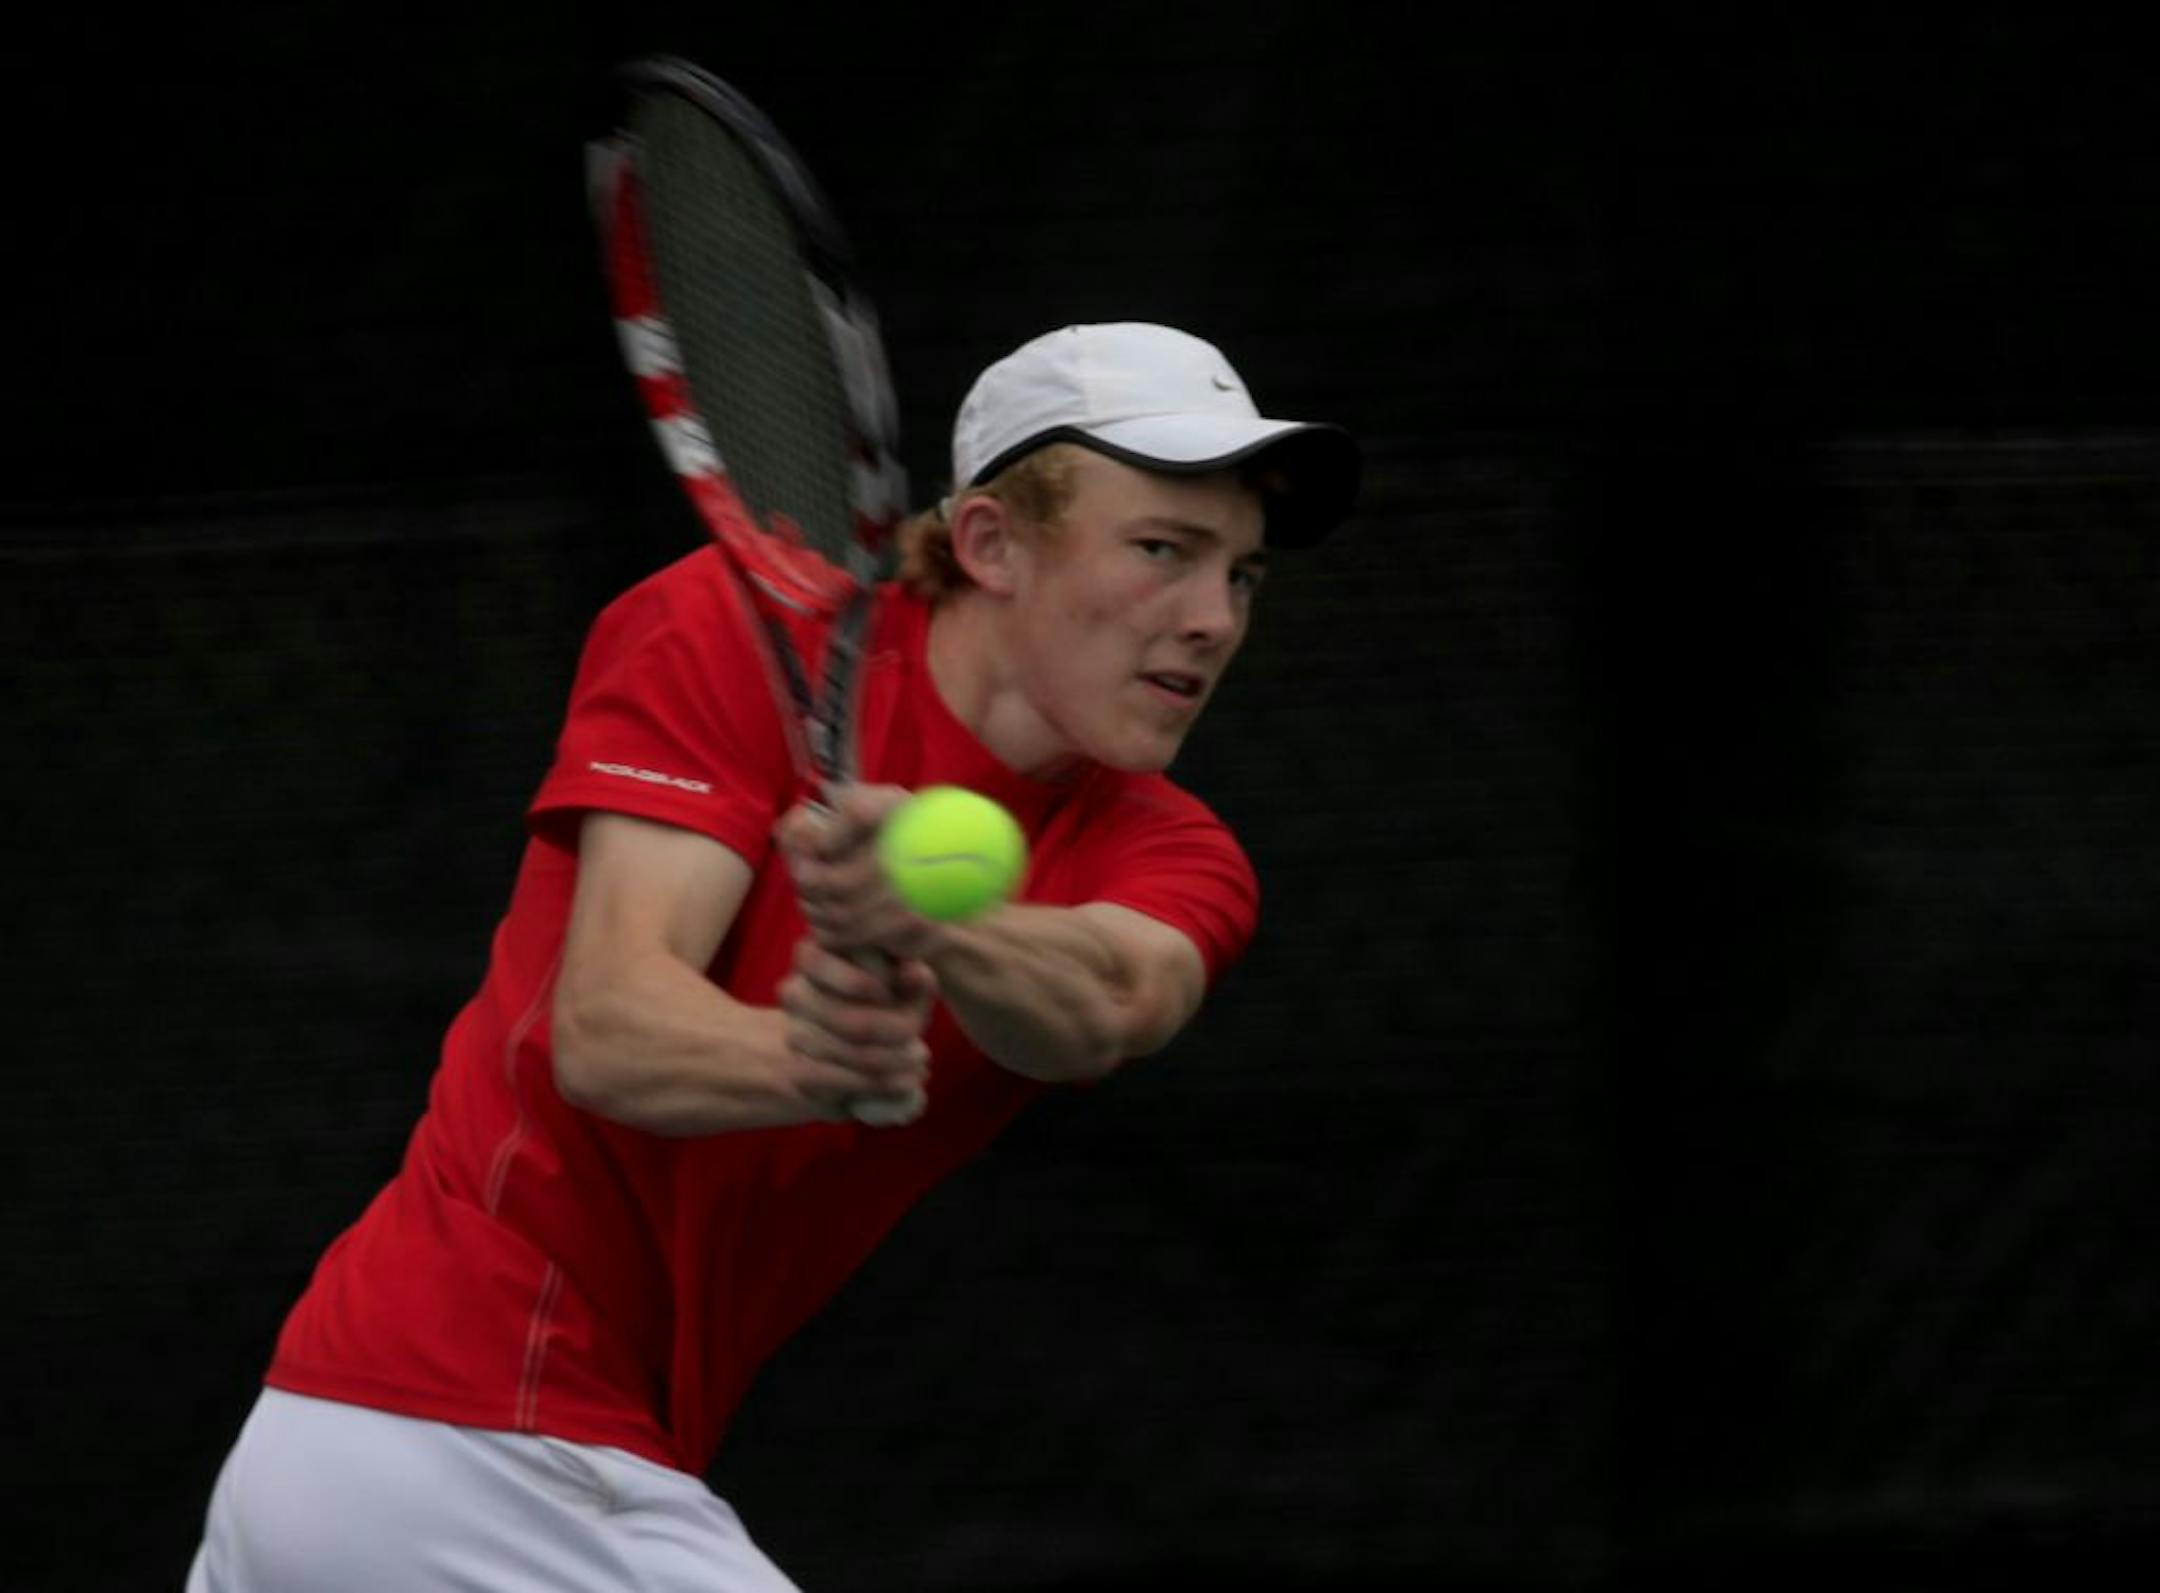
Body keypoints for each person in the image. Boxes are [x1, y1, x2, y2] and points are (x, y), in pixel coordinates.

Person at [185, 321, 1359, 1591]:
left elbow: (1110, 999)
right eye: (1163, 552)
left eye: (1241, 575)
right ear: (989, 545)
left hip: (425, 1456)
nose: (1211, 619)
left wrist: (939, 920)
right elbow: (612, 1031)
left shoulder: (1175, 851)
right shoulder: (742, 632)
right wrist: (816, 1058)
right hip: (468, 1431)